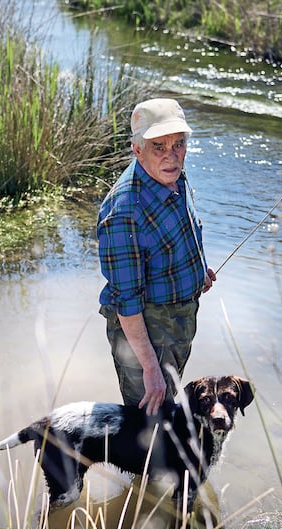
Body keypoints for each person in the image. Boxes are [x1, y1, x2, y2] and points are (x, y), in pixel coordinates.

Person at [97, 98, 216, 415]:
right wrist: (149, 368)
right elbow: (126, 300)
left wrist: (197, 270)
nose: (171, 155)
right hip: (144, 335)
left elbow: (183, 231)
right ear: (137, 149)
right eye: (158, 146)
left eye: (178, 144)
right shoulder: (123, 212)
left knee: (165, 409)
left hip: (178, 322)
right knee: (148, 429)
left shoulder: (174, 174)